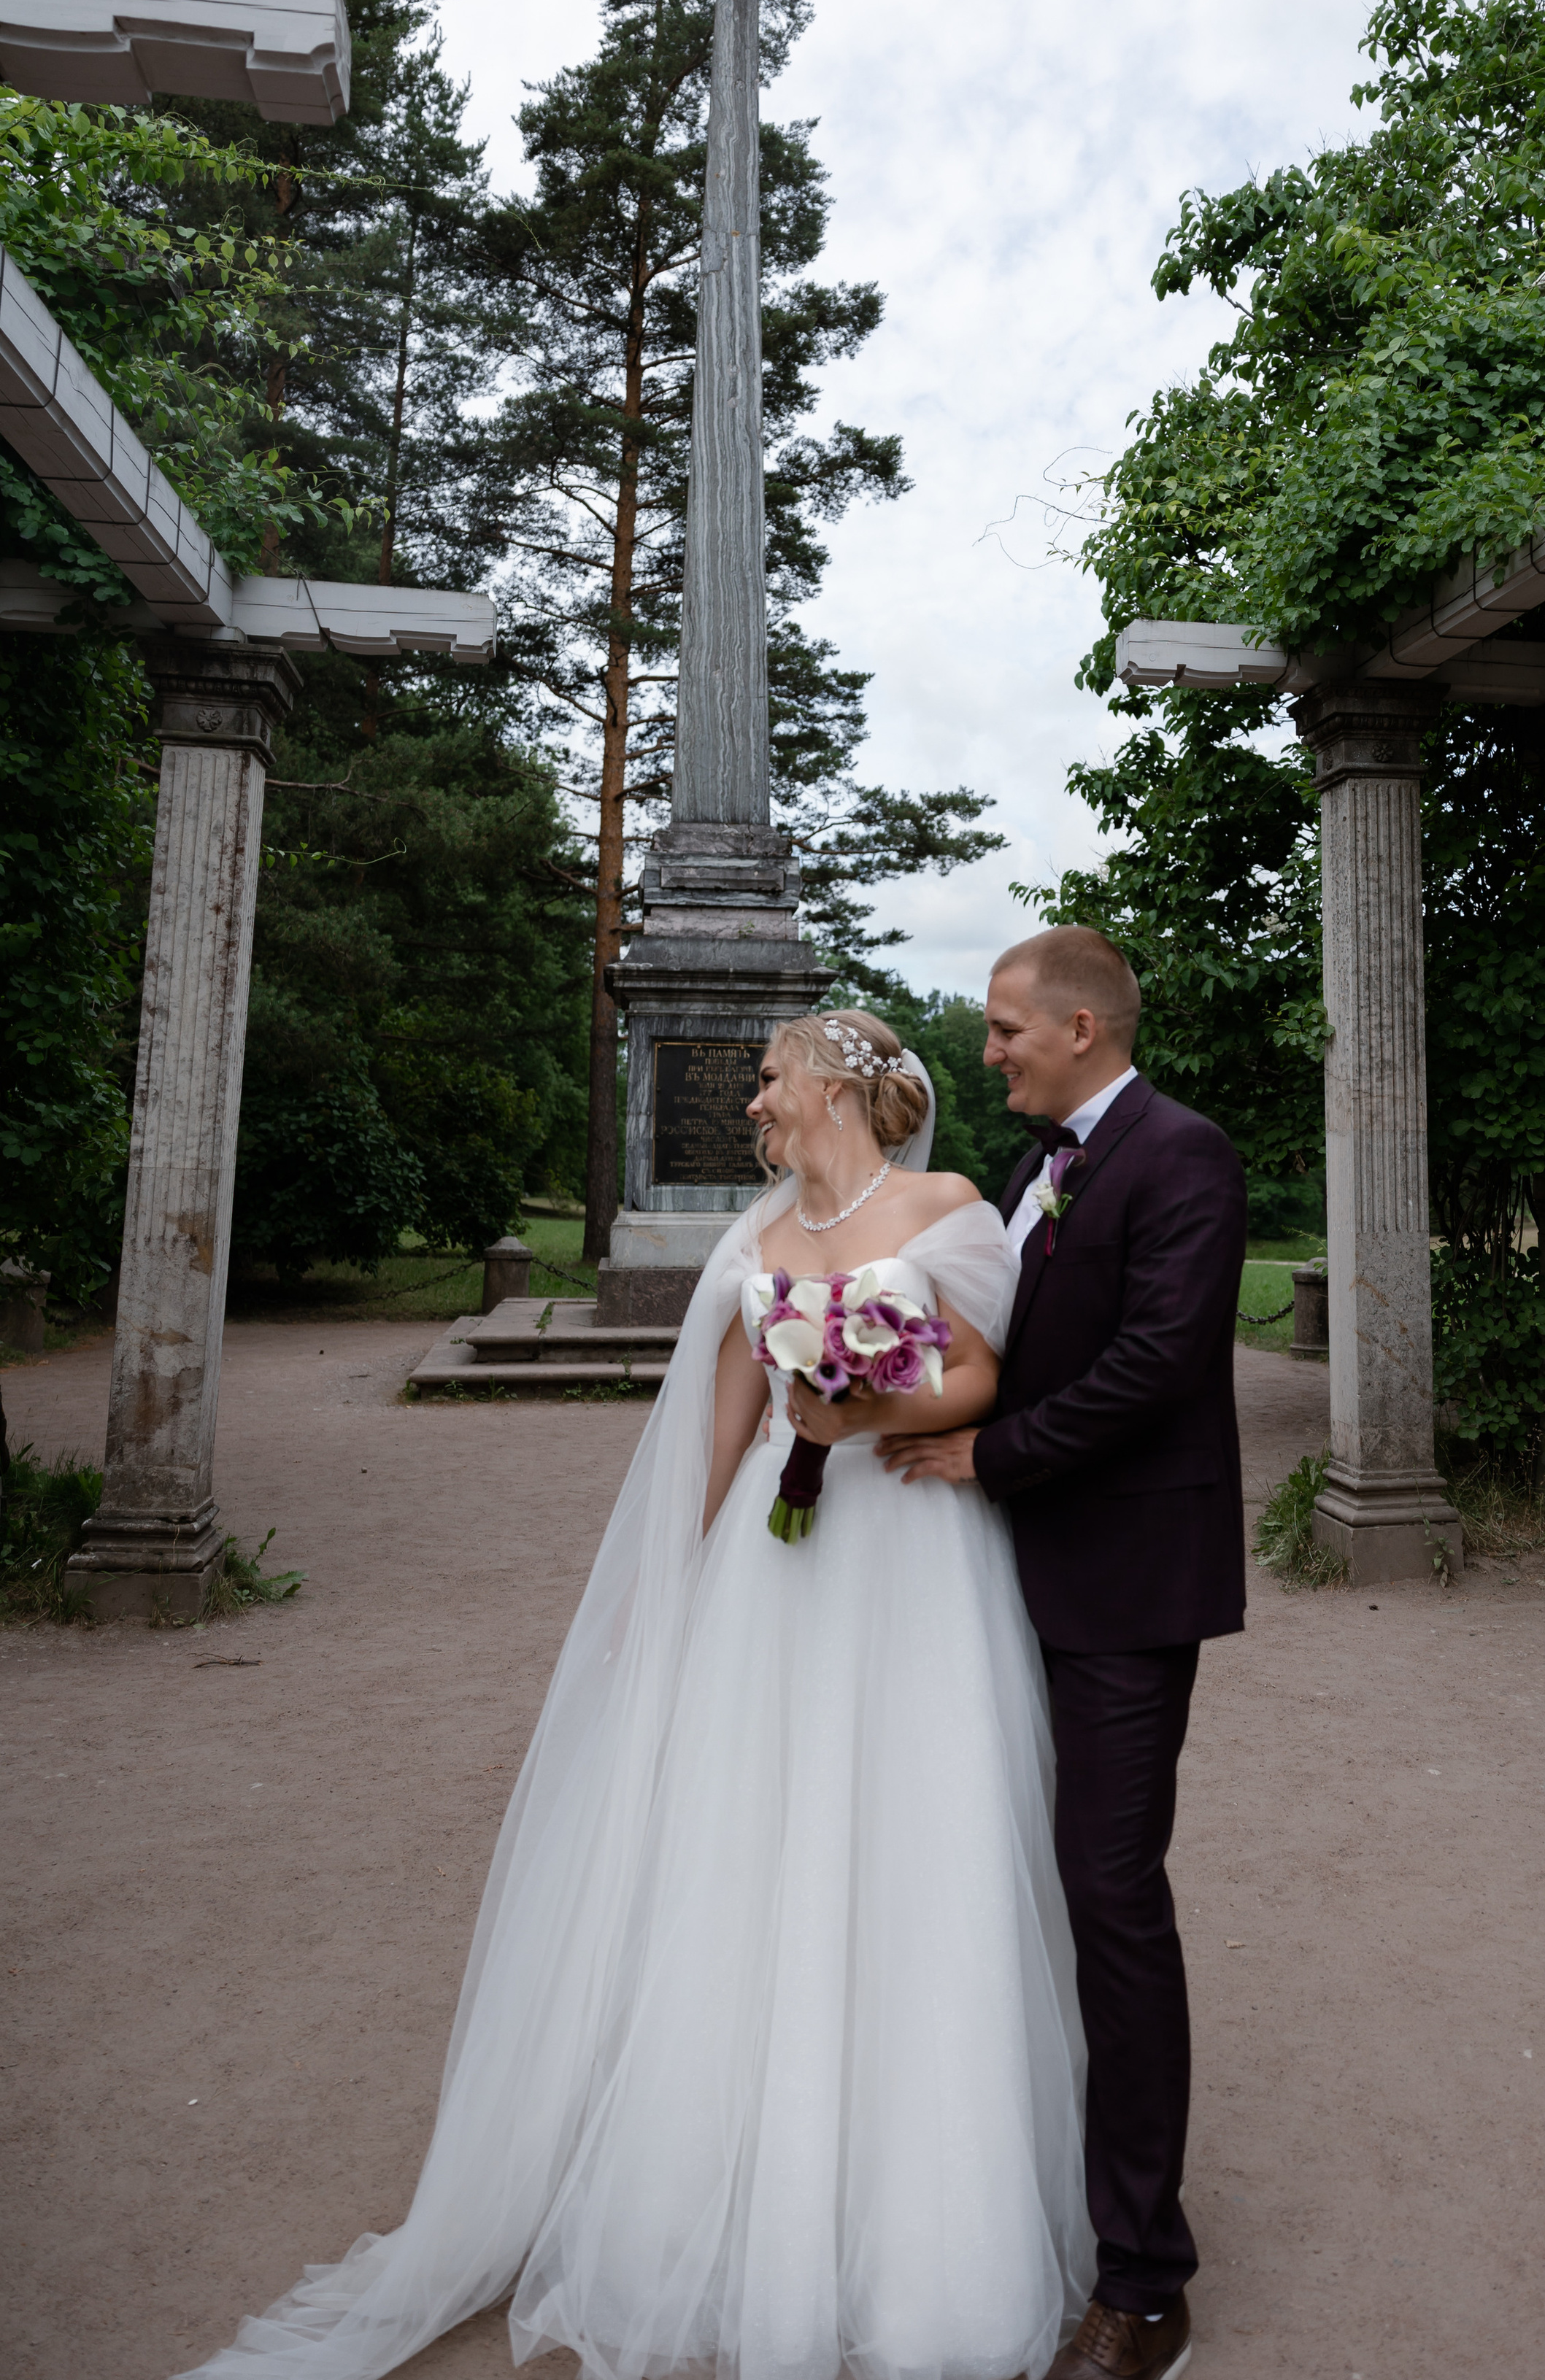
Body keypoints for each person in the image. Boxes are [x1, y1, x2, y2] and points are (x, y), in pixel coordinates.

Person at [177, 1010, 1093, 2380]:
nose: (756, 1105)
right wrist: (669, 1582)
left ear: (838, 1083)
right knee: (740, 1857)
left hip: (911, 1558)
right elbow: (727, 1412)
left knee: (915, 1850)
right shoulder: (753, 1237)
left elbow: (976, 1376)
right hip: (776, 1580)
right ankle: (702, 2206)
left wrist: (856, 1411)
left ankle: (926, 2249)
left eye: (773, 1080)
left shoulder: (949, 1207)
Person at [874, 930, 1247, 2380]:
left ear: (1079, 1027)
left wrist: (988, 1452)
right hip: (1007, 1580)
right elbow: (1015, 1338)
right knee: (1000, 1886)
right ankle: (1021, 2191)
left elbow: (1157, 1364)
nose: (987, 1054)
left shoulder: (1183, 1154)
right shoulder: (1038, 1171)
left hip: (1126, 1588)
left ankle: (1146, 2283)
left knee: (1108, 1900)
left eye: (1002, 1029)